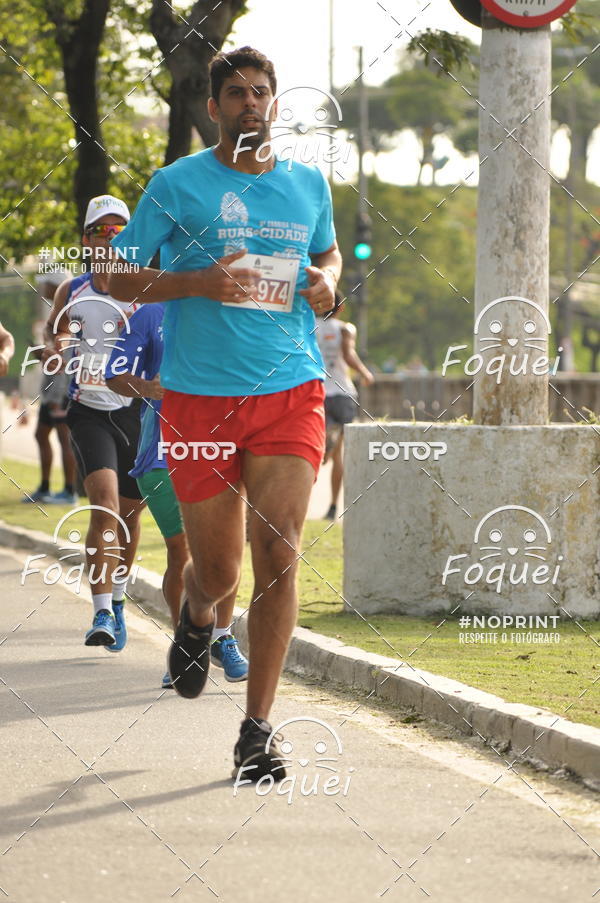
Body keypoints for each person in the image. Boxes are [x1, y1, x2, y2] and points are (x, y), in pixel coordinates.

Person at [108, 46, 340, 781]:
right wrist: (199, 283)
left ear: (276, 103)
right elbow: (113, 275)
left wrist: (327, 284)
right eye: (235, 94)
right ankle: (199, 615)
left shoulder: (308, 185)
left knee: (281, 555)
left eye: (261, 93)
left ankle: (258, 730)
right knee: (219, 569)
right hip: (200, 401)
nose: (249, 104)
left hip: (290, 390)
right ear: (213, 107)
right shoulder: (177, 185)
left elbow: (330, 259)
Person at [106, 302, 249, 687]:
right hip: (163, 453)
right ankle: (187, 646)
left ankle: (220, 637)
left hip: (221, 449)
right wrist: (149, 387)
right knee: (182, 549)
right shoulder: (151, 315)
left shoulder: (230, 311)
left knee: (228, 549)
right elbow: (114, 373)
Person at [46, 194, 145, 650]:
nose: (110, 238)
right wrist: (59, 349)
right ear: (86, 240)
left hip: (136, 412)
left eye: (119, 230)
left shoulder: (146, 289)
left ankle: (120, 602)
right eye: (101, 231)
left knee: (129, 514)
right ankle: (101, 610)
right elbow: (58, 333)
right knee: (103, 506)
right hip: (88, 412)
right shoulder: (74, 290)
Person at [314, 292, 373, 520]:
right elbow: (348, 355)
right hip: (343, 393)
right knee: (340, 455)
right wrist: (365, 372)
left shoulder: (309, 327)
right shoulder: (345, 329)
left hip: (319, 392)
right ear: (341, 308)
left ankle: (326, 441)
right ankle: (332, 506)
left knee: (316, 446)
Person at [23, 274, 78, 505]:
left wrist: (58, 396)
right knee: (41, 434)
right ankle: (45, 488)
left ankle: (69, 492)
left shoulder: (69, 310)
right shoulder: (52, 309)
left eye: (45, 282)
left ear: (55, 285)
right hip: (51, 388)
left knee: (64, 439)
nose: (41, 286)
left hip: (61, 390)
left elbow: (67, 357)